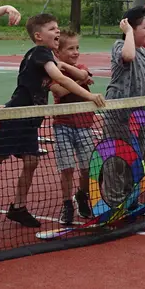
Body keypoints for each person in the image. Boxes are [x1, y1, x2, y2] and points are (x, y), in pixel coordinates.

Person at [0, 14, 105, 228]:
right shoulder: (40, 53)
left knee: (31, 161)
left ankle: (18, 208)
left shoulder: (47, 56)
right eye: (52, 28)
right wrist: (90, 95)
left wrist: (76, 72)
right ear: (38, 36)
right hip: (18, 115)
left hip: (31, 119)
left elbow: (69, 71)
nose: (57, 31)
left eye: (57, 27)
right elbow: (62, 79)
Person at [102, 7, 145, 206]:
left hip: (139, 115)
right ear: (130, 27)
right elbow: (128, 57)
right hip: (118, 112)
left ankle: (129, 198)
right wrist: (129, 32)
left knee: (134, 158)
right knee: (116, 159)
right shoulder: (119, 45)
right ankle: (114, 202)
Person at [49, 30, 98, 226]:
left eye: (77, 48)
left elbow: (84, 73)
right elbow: (59, 91)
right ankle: (67, 203)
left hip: (85, 125)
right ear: (58, 52)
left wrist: (80, 77)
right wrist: (79, 82)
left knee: (87, 167)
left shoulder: (81, 67)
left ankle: (82, 195)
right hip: (63, 126)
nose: (75, 52)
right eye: (70, 48)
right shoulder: (53, 72)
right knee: (67, 168)